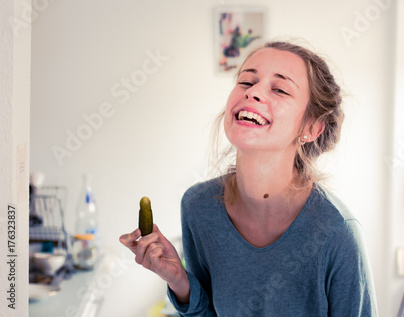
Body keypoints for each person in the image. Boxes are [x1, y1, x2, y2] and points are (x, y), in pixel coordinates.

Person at [120, 41, 378, 316]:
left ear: (311, 127)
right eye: (245, 81)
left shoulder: (337, 231)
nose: (253, 92)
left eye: (279, 89)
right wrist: (178, 280)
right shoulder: (198, 206)